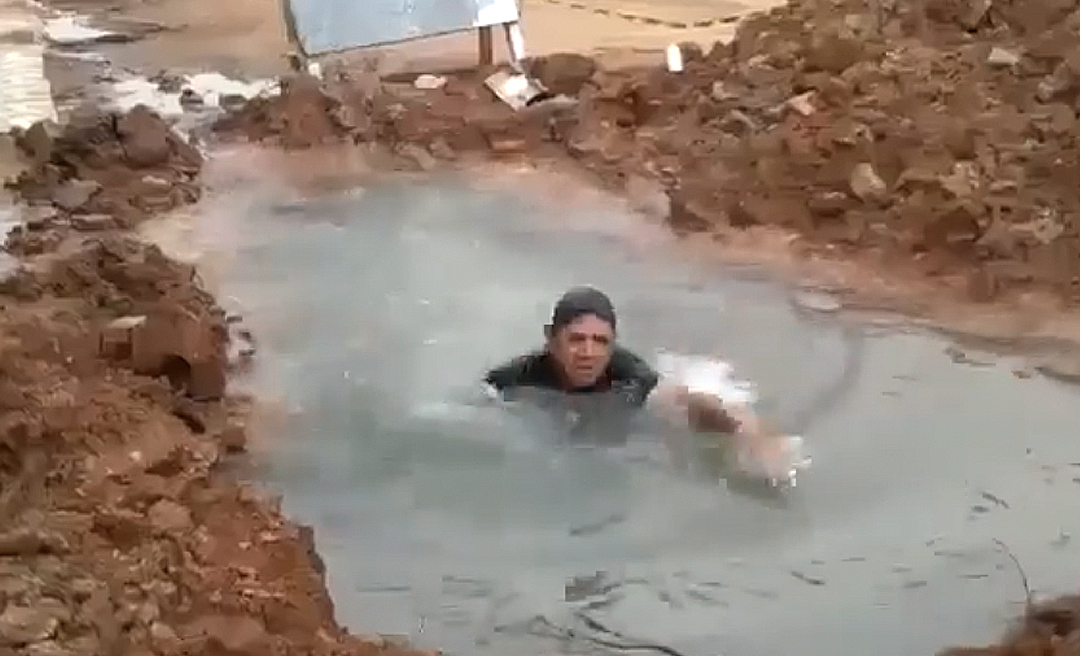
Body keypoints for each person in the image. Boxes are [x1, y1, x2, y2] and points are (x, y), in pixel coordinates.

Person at [482, 286, 781, 458]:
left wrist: (748, 435)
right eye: (576, 340)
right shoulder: (514, 378)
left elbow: (686, 403)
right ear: (551, 338)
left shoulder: (631, 376)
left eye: (600, 342)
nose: (588, 353)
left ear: (613, 342)